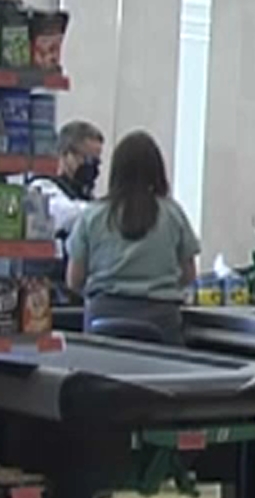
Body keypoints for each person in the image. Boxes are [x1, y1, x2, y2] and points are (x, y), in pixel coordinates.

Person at [66, 131, 200, 344]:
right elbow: (189, 275)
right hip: (161, 320)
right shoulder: (173, 214)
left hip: (102, 318)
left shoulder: (92, 215)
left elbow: (74, 280)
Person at [25, 122, 104, 292]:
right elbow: (64, 215)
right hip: (47, 284)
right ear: (65, 154)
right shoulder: (42, 187)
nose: (93, 167)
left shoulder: (89, 198)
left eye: (97, 161)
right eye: (88, 159)